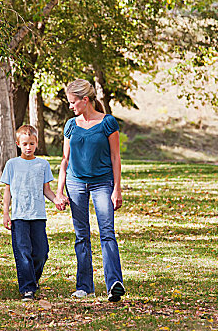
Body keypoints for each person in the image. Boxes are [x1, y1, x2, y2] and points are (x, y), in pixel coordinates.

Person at [55, 78, 125, 302]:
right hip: (75, 184)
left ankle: (114, 283)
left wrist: (117, 189)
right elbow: (65, 160)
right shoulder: (71, 125)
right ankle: (84, 286)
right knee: (81, 235)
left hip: (102, 183)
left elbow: (115, 157)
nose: (70, 106)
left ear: (85, 100)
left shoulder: (108, 123)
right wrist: (59, 191)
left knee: (107, 233)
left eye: (73, 102)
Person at [1, 124, 58, 301]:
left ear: (37, 143)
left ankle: (31, 279)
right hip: (19, 217)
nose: (28, 147)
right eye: (25, 144)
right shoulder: (12, 164)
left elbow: (46, 190)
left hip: (38, 216)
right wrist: (5, 213)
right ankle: (27, 288)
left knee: (41, 253)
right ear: (18, 143)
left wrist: (56, 199)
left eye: (31, 144)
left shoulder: (43, 164)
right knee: (23, 252)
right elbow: (7, 191)